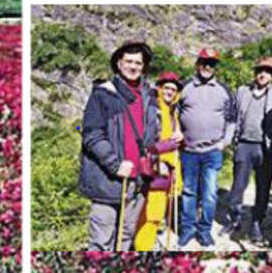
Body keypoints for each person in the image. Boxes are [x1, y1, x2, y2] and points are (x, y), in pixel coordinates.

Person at [79, 41, 162, 251]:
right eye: (129, 61)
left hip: (138, 182)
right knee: (101, 241)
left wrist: (154, 159)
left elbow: (152, 136)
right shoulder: (103, 94)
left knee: (125, 238)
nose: (133, 67)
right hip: (108, 181)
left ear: (144, 67)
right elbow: (92, 135)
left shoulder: (150, 96)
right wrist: (115, 164)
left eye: (138, 63)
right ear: (119, 63)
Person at [222, 57, 272, 244]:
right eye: (260, 70)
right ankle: (234, 220)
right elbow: (233, 117)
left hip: (267, 148)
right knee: (237, 187)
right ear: (255, 73)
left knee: (263, 188)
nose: (262, 74)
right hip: (244, 144)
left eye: (267, 71)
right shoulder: (243, 91)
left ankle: (256, 223)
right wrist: (228, 139)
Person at [178, 48, 236, 249]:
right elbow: (173, 114)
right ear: (198, 64)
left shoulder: (224, 90)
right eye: (204, 62)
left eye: (212, 63)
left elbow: (232, 119)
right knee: (188, 192)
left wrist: (225, 142)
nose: (207, 67)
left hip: (213, 151)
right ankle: (187, 230)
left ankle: (204, 232)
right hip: (188, 152)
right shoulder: (184, 87)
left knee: (210, 194)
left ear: (215, 67)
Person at [134, 72, 184, 251]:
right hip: (156, 168)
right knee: (152, 214)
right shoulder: (154, 110)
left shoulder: (172, 112)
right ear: (160, 88)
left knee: (150, 212)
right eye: (167, 88)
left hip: (167, 167)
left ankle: (142, 244)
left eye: (173, 89)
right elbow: (148, 142)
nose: (170, 92)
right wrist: (161, 157)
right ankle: (143, 248)